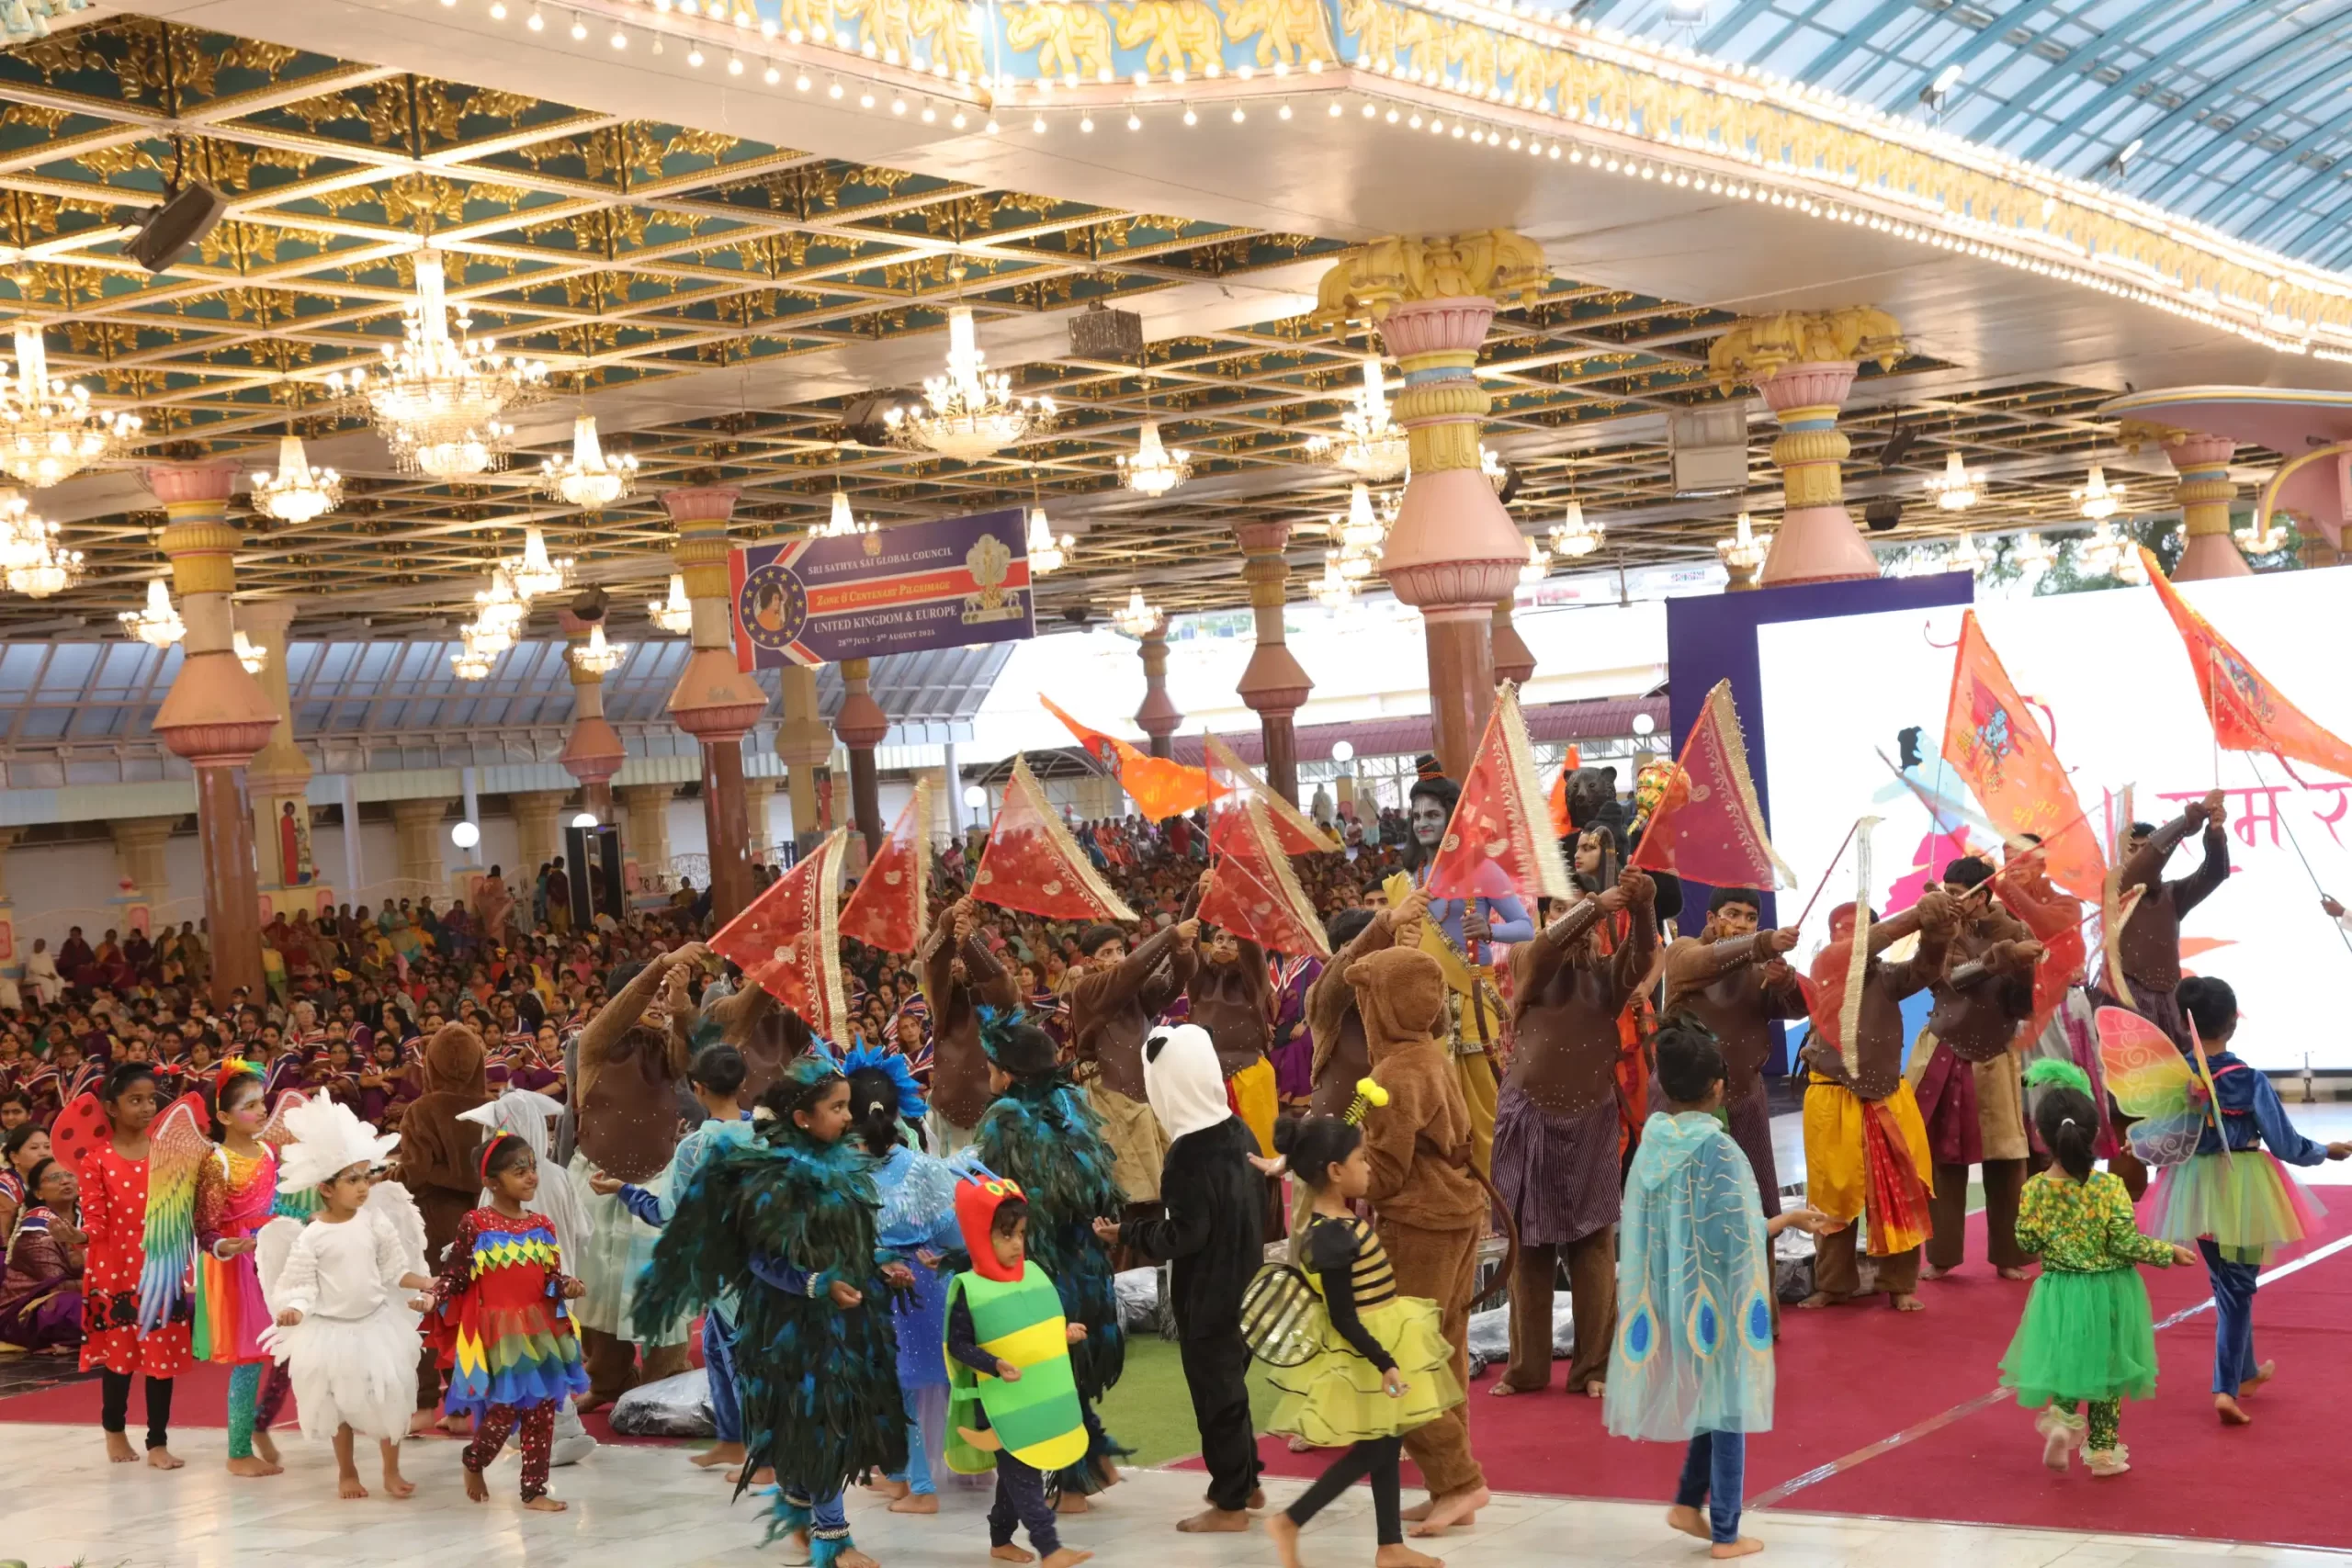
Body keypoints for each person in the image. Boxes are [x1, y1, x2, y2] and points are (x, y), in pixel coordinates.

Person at [636, 1055, 910, 1566]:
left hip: (838, 1316)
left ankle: (801, 1509)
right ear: (802, 1118)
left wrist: (880, 1265)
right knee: (818, 1419)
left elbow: (848, 1244)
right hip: (789, 1323)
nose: (848, 1117)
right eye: (837, 1108)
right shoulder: (775, 1178)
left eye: (847, 1106)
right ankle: (832, 1537)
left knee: (815, 1420)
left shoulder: (844, 1168)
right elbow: (761, 1258)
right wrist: (816, 1284)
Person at [1604, 1025, 1829, 1561]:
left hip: (1670, 1296)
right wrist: (1789, 1220)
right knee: (1729, 1408)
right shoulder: (1719, 1150)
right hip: (1719, 1300)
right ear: (1719, 1088)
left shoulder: (1653, 1144)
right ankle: (1727, 1531)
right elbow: (1741, 1233)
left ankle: (1688, 1502)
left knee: (1713, 1399)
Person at [2146, 976, 2347, 1425]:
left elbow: (2162, 1139)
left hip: (2192, 1190)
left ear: (2184, 1022)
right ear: (2232, 1024)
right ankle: (2225, 1388)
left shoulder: (2174, 1077)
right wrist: (2325, 1151)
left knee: (2226, 1282)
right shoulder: (2248, 1079)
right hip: (2243, 1188)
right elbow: (2285, 1144)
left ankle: (2247, 1371)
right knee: (2237, 1287)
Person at [1262, 1111, 1460, 1568]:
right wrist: (1384, 1360)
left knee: (1386, 1441)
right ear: (1335, 1171)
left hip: (1379, 1338)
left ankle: (1390, 1546)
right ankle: (1291, 1520)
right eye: (1361, 1159)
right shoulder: (1331, 1234)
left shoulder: (1341, 1221)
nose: (1369, 1167)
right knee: (1377, 1446)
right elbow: (1343, 1316)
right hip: (1364, 1350)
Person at [1493, 862, 1656, 1400]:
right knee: (1529, 1246)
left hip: (1592, 1118)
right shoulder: (1525, 957)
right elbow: (1544, 952)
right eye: (1560, 907)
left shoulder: (1606, 977)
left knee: (1593, 1246)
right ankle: (1527, 1370)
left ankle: (1594, 1369)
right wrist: (1590, 907)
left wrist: (1643, 905)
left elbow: (1642, 958)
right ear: (1546, 915)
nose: (1573, 917)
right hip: (1529, 1113)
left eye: (1581, 906)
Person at [1095, 1024, 1264, 1532]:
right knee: (1231, 1389)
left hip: (1209, 1295)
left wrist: (1127, 1232)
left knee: (1216, 1398)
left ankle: (1231, 1505)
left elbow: (1184, 1236)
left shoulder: (1188, 1156)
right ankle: (1245, 1482)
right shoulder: (1240, 1131)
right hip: (1248, 1283)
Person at [1347, 942, 1488, 1536]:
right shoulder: (1429, 1054)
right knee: (1444, 1347)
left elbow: (1385, 1174)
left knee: (1400, 1356)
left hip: (1419, 1223)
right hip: (1458, 1213)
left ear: (1383, 1004)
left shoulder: (1394, 1073)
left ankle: (1458, 1480)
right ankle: (1448, 1486)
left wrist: (1333, 1173)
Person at [1996, 1060, 2193, 1478]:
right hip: (2109, 1291)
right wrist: (2166, 1252)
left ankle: (2062, 1424)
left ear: (2040, 1135)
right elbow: (2123, 1242)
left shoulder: (2034, 1189)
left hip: (2061, 1292)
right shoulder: (2110, 1187)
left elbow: (2026, 1243)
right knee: (2109, 1369)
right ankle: (2103, 1453)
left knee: (2070, 1362)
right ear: (2095, 1133)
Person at [970, 1014, 1127, 1508]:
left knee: (1051, 1374)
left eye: (991, 1068)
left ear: (1008, 1075)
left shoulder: (1007, 1121)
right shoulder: (1072, 1104)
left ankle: (1074, 1486)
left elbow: (1000, 1203)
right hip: (1086, 1261)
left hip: (1042, 1266)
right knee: (1072, 1370)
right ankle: (1097, 1462)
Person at [257, 1097, 430, 1502]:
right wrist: (294, 1309)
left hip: (376, 1324)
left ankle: (391, 1470)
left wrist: (425, 1281)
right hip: (331, 1330)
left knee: (390, 1393)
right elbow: (301, 1284)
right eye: (352, 1180)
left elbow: (395, 1270)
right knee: (336, 1403)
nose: (363, 1187)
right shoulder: (313, 1235)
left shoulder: (376, 1222)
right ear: (326, 1188)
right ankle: (347, 1471)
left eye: (365, 1178)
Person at [1797, 893, 1954, 1312]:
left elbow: (1926, 968)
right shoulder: (1824, 968)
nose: (1851, 938)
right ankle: (1833, 1284)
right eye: (1843, 930)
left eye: (1861, 929)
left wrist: (1937, 931)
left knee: (1900, 1190)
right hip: (1831, 1097)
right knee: (1832, 1195)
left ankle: (1899, 1284)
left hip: (1886, 1096)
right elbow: (1855, 952)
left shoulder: (1888, 976)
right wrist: (1917, 914)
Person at [426, 1131, 591, 1511]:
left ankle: (534, 1490)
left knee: (543, 1411)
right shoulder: (477, 1223)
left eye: (532, 1168)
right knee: (504, 1411)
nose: (532, 1176)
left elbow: (550, 1278)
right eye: (520, 1171)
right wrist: (433, 1296)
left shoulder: (543, 1225)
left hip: (541, 1331)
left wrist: (567, 1285)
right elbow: (456, 1276)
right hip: (500, 1334)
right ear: (492, 1182)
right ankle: (475, 1459)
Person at [570, 947, 701, 1409]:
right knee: (599, 1290)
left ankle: (665, 1380)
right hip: (598, 1180)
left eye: (663, 997)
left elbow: (691, 1055)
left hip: (659, 1183)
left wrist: (682, 1004)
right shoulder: (593, 1043)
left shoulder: (665, 1051)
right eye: (653, 995)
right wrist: (662, 965)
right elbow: (621, 1011)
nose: (658, 1003)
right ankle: (608, 1381)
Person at [943, 1172, 1094, 1568]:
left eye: (1021, 1234)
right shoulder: (970, 1288)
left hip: (1033, 1397)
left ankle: (1000, 1540)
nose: (1016, 1244)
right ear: (981, 1235)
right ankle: (1050, 1548)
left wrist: (1063, 1334)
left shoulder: (1032, 1276)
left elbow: (1031, 1328)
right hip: (999, 1403)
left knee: (1017, 1474)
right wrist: (993, 1364)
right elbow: (958, 1345)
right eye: (1005, 1234)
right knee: (1024, 1476)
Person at [845, 1043, 961, 1516]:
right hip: (928, 1283)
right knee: (918, 1381)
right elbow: (954, 1233)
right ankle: (898, 1475)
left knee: (895, 1386)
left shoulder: (845, 1176)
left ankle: (921, 1487)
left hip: (880, 1289)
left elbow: (843, 1242)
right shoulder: (926, 1168)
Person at [1916, 858, 2043, 1281]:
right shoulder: (1939, 928)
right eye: (1946, 891)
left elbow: (2024, 1003)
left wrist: (2028, 968)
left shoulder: (2017, 930)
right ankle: (1942, 1256)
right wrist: (2001, 957)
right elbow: (1947, 979)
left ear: (1981, 896)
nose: (1948, 900)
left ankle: (2010, 1256)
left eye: (1956, 893)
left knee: (2007, 1159)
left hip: (1996, 1052)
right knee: (1943, 1158)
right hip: (1947, 1047)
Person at [1397, 773, 1532, 1177]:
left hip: (1474, 995)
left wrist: (1490, 930)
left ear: (1453, 819)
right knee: (1436, 1101)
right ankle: (1451, 1189)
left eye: (1433, 814)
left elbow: (1526, 928)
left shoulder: (1483, 870)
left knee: (1483, 1099)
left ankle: (1495, 1190)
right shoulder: (1408, 879)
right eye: (1417, 815)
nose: (1423, 823)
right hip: (1425, 1003)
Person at [1657, 888, 1804, 1226]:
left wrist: (1785, 982)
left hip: (1746, 1100)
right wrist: (1763, 942)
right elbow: (1700, 963)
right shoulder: (1683, 950)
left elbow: (1798, 1010)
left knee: (1756, 1212)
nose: (1742, 924)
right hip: (1686, 1108)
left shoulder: (1759, 968)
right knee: (1689, 1217)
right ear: (1711, 918)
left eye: (1751, 918)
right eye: (1733, 914)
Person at [76, 1061, 190, 1467]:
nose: (146, 1108)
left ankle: (158, 1442)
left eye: (151, 1100)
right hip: (115, 1268)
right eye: (135, 1100)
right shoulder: (96, 1160)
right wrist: (78, 1236)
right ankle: (114, 1431)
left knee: (161, 1358)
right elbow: (95, 1221)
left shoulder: (167, 1153)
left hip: (160, 1266)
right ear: (111, 1107)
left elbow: (182, 1209)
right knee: (119, 1356)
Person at [192, 1060, 296, 1476]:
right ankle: (237, 1452)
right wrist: (224, 1245)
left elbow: (277, 1202)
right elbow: (205, 1226)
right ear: (223, 1117)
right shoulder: (217, 1162)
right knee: (251, 1358)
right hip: (238, 1264)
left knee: (289, 1347)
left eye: (261, 1103)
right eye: (249, 1105)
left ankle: (259, 1422)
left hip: (271, 1253)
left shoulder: (268, 1151)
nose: (261, 1111)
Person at [390, 1021, 487, 1433]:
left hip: (432, 1221)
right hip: (481, 1219)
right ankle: (463, 1408)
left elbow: (415, 1172)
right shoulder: (492, 1108)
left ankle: (424, 1404)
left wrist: (389, 1177)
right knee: (470, 1313)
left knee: (427, 1309)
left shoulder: (422, 1110)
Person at [1067, 912, 1197, 1207]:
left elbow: (1173, 984)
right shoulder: (1086, 989)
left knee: (1163, 1186)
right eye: (1107, 953)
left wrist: (1181, 952)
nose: (1116, 958)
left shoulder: (1135, 990)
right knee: (1129, 1191)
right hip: (1107, 1096)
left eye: (1120, 950)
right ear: (1089, 961)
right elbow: (1125, 974)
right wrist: (1169, 936)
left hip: (1144, 1093)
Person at [2093, 794, 2229, 1053]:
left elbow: (2213, 873)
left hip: (2169, 1000)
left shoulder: (2171, 894)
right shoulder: (2115, 888)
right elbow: (2149, 860)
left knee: (2176, 1071)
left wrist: (2215, 834)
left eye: (2145, 848)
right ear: (2120, 855)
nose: (2140, 855)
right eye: (2133, 849)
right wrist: (2193, 815)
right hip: (2124, 995)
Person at [921, 898, 1021, 1154]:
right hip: (946, 1111)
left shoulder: (1001, 999)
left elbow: (1000, 986)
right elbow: (932, 964)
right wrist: (949, 921)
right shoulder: (945, 1000)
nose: (957, 963)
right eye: (954, 957)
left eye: (962, 958)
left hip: (995, 1113)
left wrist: (969, 944)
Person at [0, 1156, 83, 1354]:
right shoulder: (34, 1228)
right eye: (54, 1177)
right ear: (38, 1192)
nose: (65, 1181)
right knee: (75, 1307)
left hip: (86, 1288)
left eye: (70, 1175)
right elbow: (55, 1284)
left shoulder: (90, 1218)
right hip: (28, 1309)